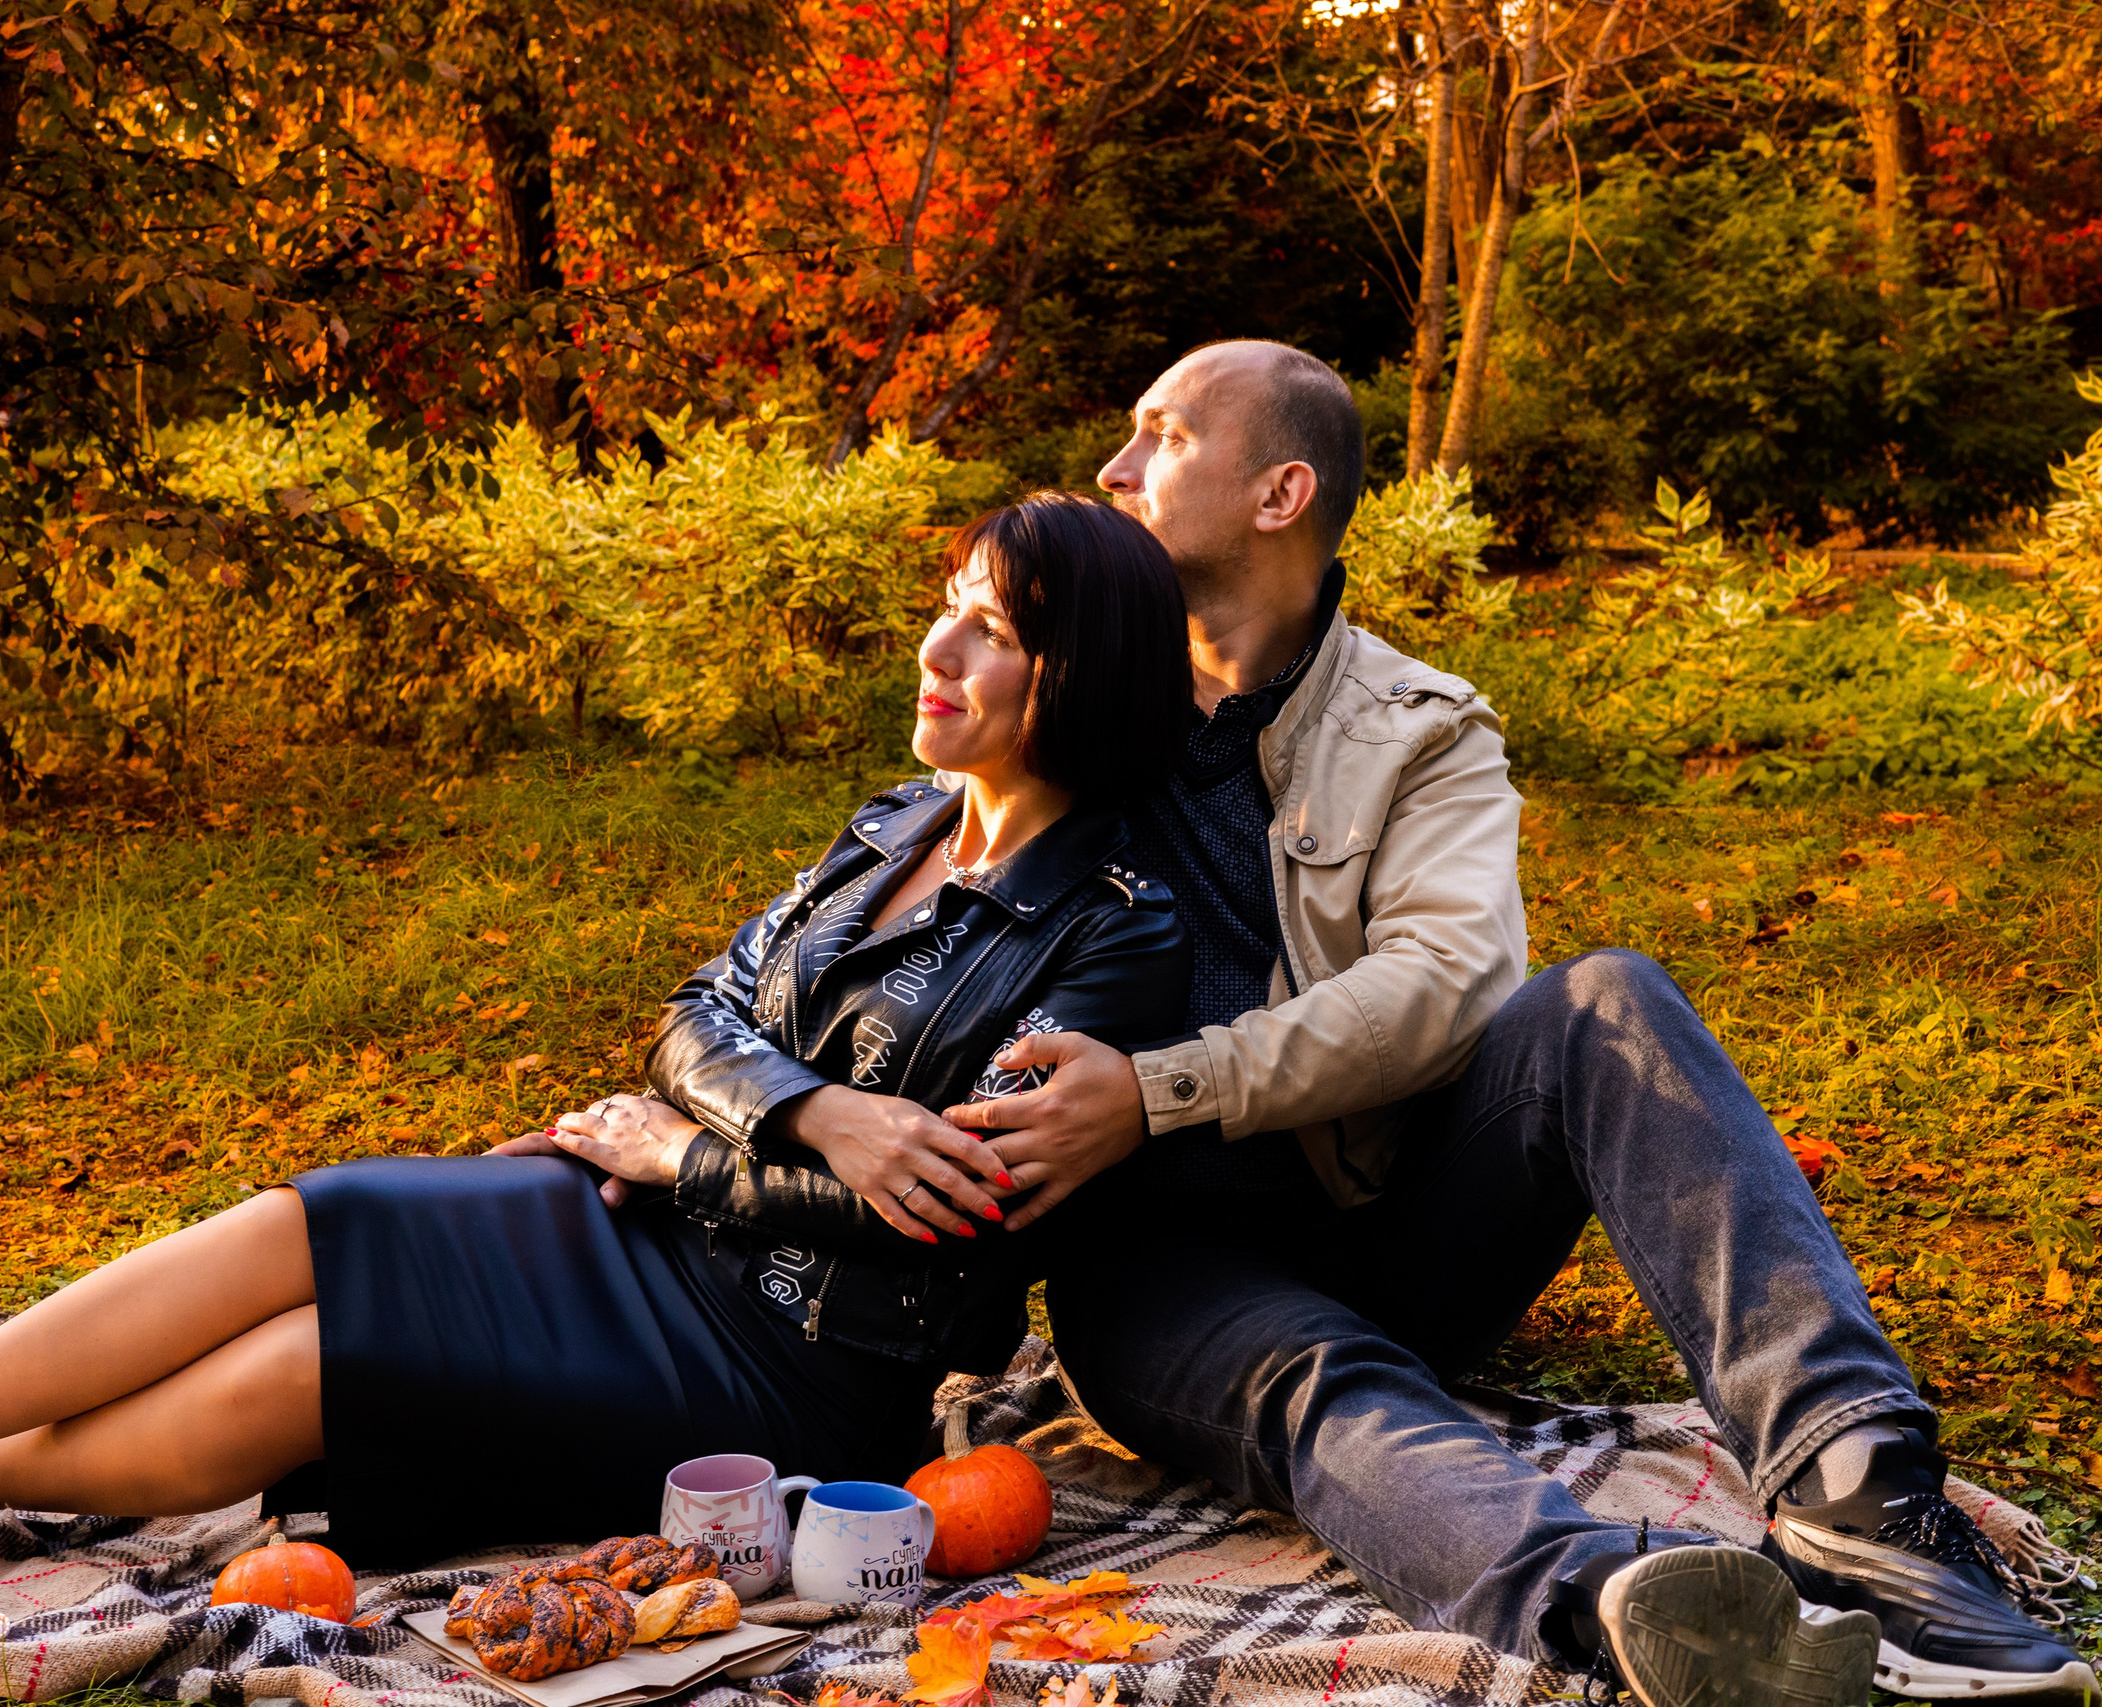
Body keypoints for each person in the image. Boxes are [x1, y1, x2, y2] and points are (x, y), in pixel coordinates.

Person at [664, 343, 2093, 1707]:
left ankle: (1864, 1499)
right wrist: (772, 1122)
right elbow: (879, 922)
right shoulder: (1075, 693)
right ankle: (1626, 1611)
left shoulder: (1420, 728)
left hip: (1404, 1212)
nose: (1113, 467)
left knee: (1609, 1000)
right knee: (1317, 1386)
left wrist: (1160, 1088)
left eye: (1162, 438)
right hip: (1164, 1272)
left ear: (1280, 495)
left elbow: (1448, 985)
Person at [0, 492, 1196, 1572]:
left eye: (992, 631)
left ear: (1085, 674)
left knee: (312, 1373)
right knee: (315, 1220)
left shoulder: (1117, 935)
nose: (940, 652)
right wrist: (795, 1114)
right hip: (637, 1224)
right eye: (950, 612)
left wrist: (689, 1164)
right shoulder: (893, 824)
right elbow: (697, 1016)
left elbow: (945, 1233)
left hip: (786, 1363)